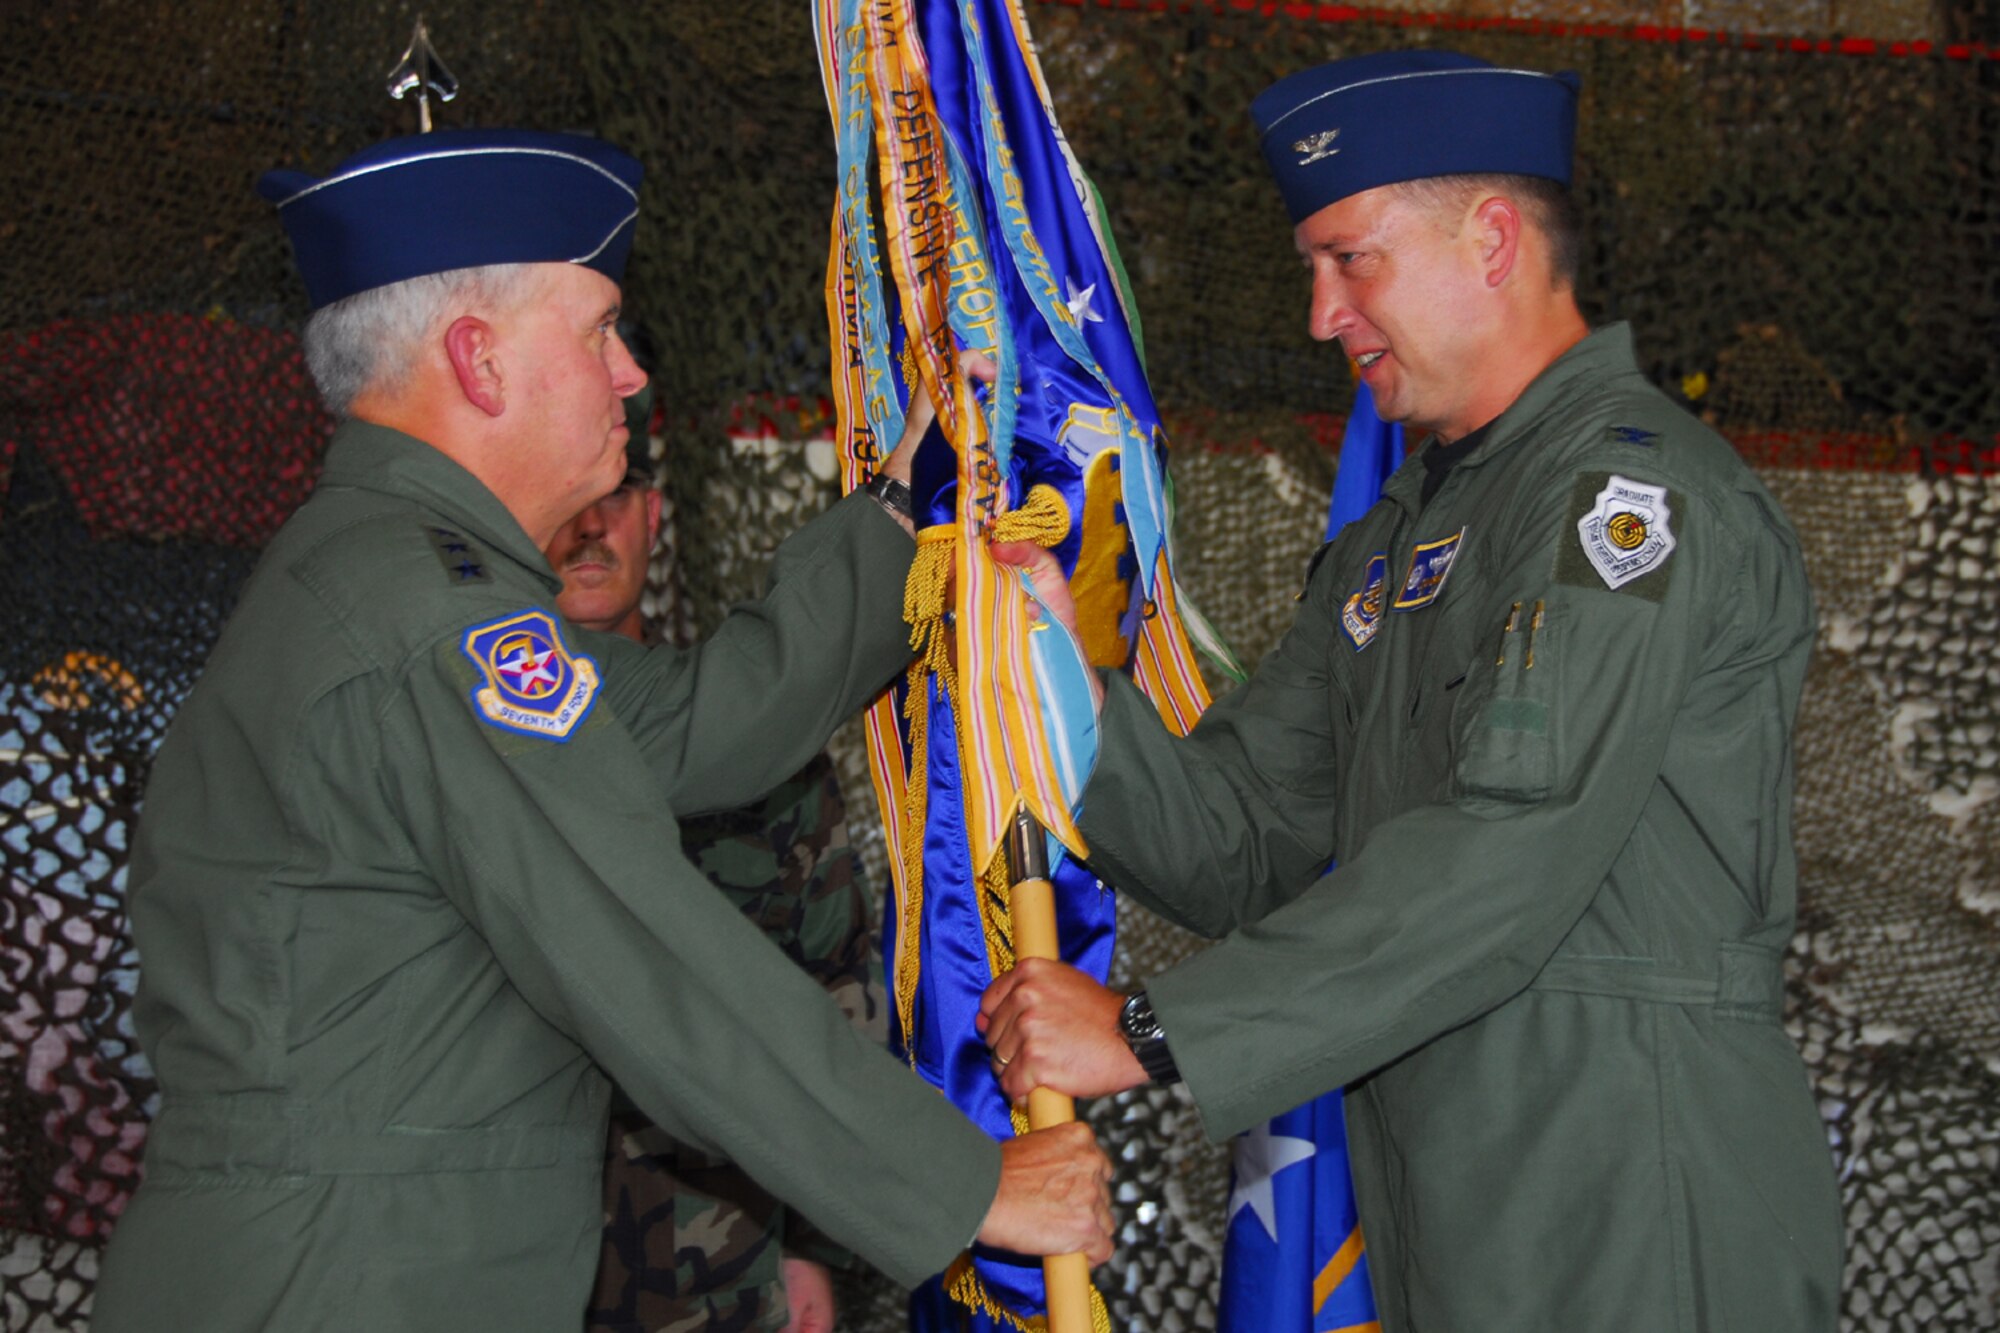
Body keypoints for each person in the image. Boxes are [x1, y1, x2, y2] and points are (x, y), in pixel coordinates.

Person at [89, 127, 1112, 1333]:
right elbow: (646, 951)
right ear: (478, 360)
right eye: (599, 331)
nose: (628, 374)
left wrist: (903, 500)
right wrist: (966, 1184)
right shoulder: (435, 624)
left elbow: (707, 722)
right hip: (346, 1281)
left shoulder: (399, 584)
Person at [980, 49, 1843, 1331]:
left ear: (1490, 241)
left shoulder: (1624, 500)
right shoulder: (1402, 535)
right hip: (1458, 1200)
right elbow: (1245, 837)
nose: (1320, 315)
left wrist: (1150, 1033)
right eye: (1311, 269)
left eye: (1350, 260)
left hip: (1629, 1186)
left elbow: (1505, 851)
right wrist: (1066, 684)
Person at [546, 437, 870, 1333]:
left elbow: (836, 984)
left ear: (653, 515)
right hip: (503, 1257)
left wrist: (811, 1243)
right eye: (568, 493)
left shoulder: (756, 737)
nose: (590, 526)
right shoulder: (464, 728)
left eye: (618, 495)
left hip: (717, 1261)